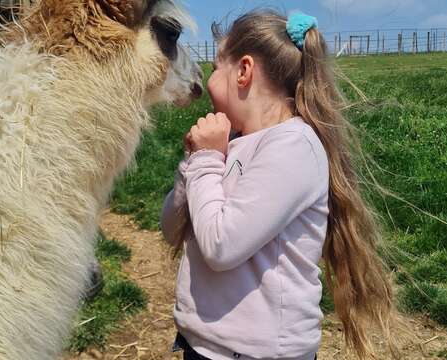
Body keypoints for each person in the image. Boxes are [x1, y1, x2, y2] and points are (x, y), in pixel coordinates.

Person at [160, 9, 398, 360]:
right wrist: (194, 163)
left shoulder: (293, 147)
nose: (208, 82)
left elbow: (221, 246)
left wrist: (207, 160)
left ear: (243, 71)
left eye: (214, 69)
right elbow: (170, 228)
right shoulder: (231, 145)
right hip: (205, 346)